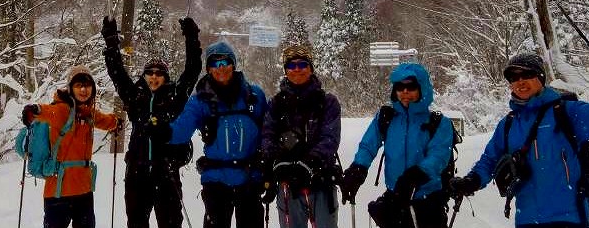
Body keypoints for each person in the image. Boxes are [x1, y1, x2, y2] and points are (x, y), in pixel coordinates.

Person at [449, 52, 589, 227]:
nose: (520, 81)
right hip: (527, 219)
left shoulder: (566, 112)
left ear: (540, 77)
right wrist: (471, 182)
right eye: (514, 77)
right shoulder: (508, 124)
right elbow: (489, 160)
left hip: (568, 218)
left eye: (527, 74)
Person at [101, 15, 203, 228]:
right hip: (137, 173)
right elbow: (117, 72)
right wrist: (111, 42)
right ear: (144, 75)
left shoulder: (175, 96)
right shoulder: (134, 96)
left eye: (159, 73)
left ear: (165, 77)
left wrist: (191, 37)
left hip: (165, 171)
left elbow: (192, 70)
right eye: (150, 73)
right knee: (136, 222)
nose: (154, 77)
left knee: (170, 222)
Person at [339, 63, 456, 228]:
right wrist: (358, 168)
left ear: (422, 88)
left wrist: (415, 176)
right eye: (400, 87)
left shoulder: (438, 122)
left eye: (411, 87)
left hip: (428, 200)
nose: (405, 92)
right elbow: (368, 146)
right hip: (395, 198)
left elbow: (439, 156)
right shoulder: (386, 118)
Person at [167, 41, 268, 228]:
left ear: (233, 65)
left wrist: (269, 168)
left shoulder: (255, 96)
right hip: (216, 181)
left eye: (225, 63)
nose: (220, 68)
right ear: (208, 69)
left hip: (250, 178)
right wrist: (163, 132)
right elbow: (182, 129)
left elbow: (269, 132)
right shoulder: (200, 100)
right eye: (214, 64)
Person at [21, 66, 119, 228]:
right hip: (59, 192)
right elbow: (47, 111)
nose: (83, 89)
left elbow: (105, 121)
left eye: (87, 85)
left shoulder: (88, 113)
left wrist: (116, 121)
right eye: (78, 85)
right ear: (70, 88)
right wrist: (34, 110)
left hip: (84, 191)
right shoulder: (62, 109)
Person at [260, 43, 342, 228]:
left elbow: (330, 138)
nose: (297, 70)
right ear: (285, 70)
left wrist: (310, 161)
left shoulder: (327, 102)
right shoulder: (276, 104)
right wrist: (276, 161)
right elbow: (267, 135)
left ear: (311, 68)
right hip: (288, 184)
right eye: (291, 65)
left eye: (302, 65)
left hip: (321, 183)